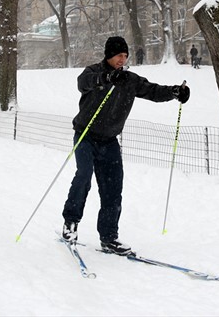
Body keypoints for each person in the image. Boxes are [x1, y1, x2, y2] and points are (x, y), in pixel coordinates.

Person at [61, 36, 190, 256]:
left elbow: (153, 91)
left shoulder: (130, 80)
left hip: (110, 141)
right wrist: (106, 78)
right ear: (109, 55)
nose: (122, 59)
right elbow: (83, 83)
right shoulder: (92, 72)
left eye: (125, 55)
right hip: (86, 135)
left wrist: (175, 92)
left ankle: (109, 237)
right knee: (84, 176)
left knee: (113, 189)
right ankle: (70, 223)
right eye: (119, 55)